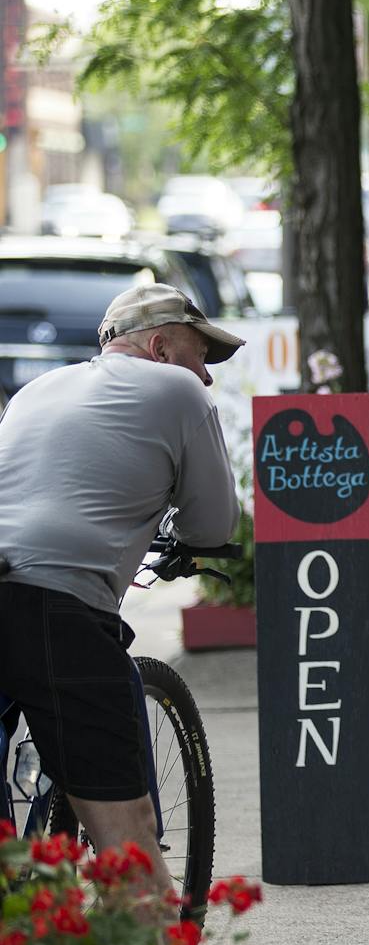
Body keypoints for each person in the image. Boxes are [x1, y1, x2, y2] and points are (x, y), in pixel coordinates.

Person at [0, 284, 244, 907]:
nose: (205, 380)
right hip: (51, 601)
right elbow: (213, 526)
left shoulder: (36, 390)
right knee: (126, 838)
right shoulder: (177, 389)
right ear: (160, 348)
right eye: (198, 358)